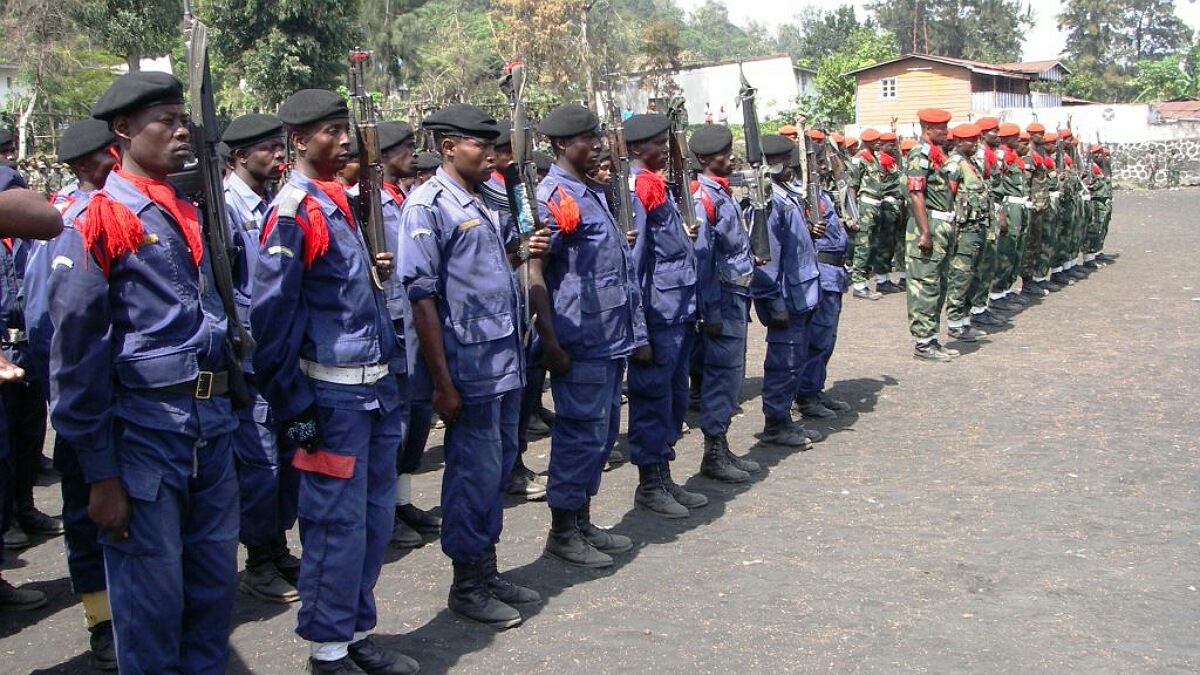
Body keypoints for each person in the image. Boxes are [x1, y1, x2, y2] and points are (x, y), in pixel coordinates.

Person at [48, 70, 240, 673]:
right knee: (152, 605)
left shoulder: (183, 207)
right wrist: (99, 474)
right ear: (123, 131)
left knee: (212, 595)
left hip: (210, 423)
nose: (181, 131)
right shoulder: (100, 218)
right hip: (146, 437)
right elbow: (76, 358)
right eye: (166, 121)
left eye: (184, 120)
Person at [251, 88, 418, 674]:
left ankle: (353, 632)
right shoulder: (297, 210)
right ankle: (327, 651)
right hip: (331, 398)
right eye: (329, 130)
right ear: (299, 141)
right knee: (334, 528)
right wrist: (292, 403)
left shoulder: (337, 201)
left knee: (373, 523)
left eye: (343, 128)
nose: (343, 139)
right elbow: (270, 318)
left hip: (372, 391)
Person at [399, 103, 548, 630]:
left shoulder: (482, 199)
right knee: (471, 475)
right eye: (480, 146)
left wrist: (519, 252)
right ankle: (467, 583)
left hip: (503, 360)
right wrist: (441, 382)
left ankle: (486, 569)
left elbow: (485, 274)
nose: (490, 154)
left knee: (496, 468)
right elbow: (422, 300)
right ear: (448, 148)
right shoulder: (428, 205)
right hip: (469, 369)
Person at [529, 105, 652, 561]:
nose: (598, 144)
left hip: (607, 335)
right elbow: (535, 274)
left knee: (600, 435)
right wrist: (551, 343)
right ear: (562, 144)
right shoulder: (555, 197)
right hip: (579, 339)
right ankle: (563, 531)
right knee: (580, 434)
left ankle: (581, 520)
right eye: (588, 137)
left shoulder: (590, 192)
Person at [20, 116, 118, 668]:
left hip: (131, 404)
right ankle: (101, 619)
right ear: (85, 166)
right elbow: (44, 328)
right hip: (86, 401)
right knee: (86, 515)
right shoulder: (64, 225)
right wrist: (70, 402)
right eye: (109, 156)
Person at [219, 113, 303, 604]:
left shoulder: (277, 201)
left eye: (279, 146)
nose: (278, 155)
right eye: (268, 148)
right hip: (250, 361)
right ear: (238, 157)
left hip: (283, 354)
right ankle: (258, 559)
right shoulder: (226, 209)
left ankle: (277, 545)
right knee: (261, 464)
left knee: (291, 459)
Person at [376, 120, 442, 550]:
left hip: (414, 324)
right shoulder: (370, 202)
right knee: (394, 424)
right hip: (392, 323)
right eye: (403, 148)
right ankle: (385, 513)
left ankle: (401, 502)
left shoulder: (405, 198)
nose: (412, 155)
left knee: (416, 418)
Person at [688, 124, 761, 487]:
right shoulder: (704, 198)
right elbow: (702, 259)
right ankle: (713, 452)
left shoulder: (723, 193)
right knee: (722, 376)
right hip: (722, 298)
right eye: (723, 152)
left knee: (732, 376)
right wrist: (711, 311)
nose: (731, 157)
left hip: (736, 295)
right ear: (704, 159)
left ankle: (722, 445)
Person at [751, 133, 823, 449]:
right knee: (784, 361)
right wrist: (772, 301)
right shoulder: (769, 202)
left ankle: (784, 419)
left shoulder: (784, 195)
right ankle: (775, 423)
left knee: (794, 360)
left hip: (801, 293)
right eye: (788, 163)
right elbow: (768, 257)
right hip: (786, 297)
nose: (792, 168)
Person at [794, 143, 851, 420]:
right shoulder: (804, 197)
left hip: (835, 274)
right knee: (817, 338)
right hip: (821, 272)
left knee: (827, 337)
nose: (824, 166)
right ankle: (805, 394)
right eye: (818, 161)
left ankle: (814, 389)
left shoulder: (823, 194)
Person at [904, 108, 959, 361]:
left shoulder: (937, 154)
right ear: (928, 128)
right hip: (929, 225)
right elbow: (916, 193)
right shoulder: (920, 154)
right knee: (925, 284)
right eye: (942, 129)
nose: (946, 133)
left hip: (942, 224)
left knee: (939, 283)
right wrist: (925, 232)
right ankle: (922, 343)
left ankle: (932, 337)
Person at [942, 123, 989, 344]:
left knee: (974, 274)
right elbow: (947, 197)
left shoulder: (972, 164)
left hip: (977, 226)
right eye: (972, 141)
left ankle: (965, 319)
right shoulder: (954, 165)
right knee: (960, 275)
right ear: (960, 142)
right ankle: (954, 323)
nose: (976, 144)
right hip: (963, 230)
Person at [986, 123, 1030, 316]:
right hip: (1008, 205)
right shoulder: (1000, 156)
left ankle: (1006, 290)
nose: (1020, 142)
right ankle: (997, 294)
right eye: (1016, 138)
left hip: (1018, 204)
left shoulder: (1013, 157)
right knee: (1005, 250)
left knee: (1014, 250)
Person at [847, 128, 884, 301]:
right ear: (867, 142)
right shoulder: (859, 159)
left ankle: (864, 280)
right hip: (865, 205)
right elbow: (853, 187)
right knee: (863, 245)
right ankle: (859, 286)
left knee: (872, 245)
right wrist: (853, 212)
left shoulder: (873, 158)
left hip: (875, 205)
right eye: (875, 140)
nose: (879, 143)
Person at [874, 131, 905, 293]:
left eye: (894, 144)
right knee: (885, 243)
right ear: (882, 145)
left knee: (894, 242)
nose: (893, 147)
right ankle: (882, 279)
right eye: (890, 145)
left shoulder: (893, 160)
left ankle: (892, 277)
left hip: (896, 204)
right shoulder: (882, 161)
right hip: (886, 204)